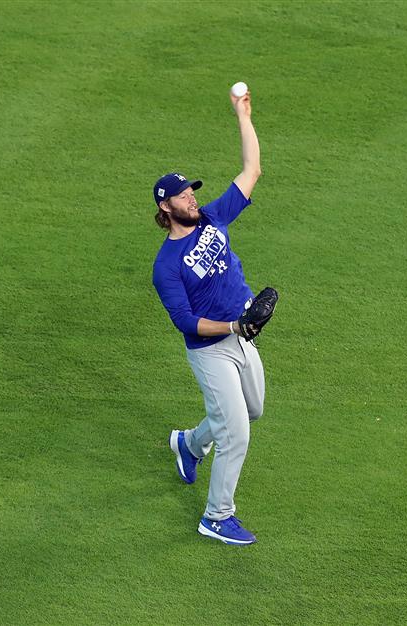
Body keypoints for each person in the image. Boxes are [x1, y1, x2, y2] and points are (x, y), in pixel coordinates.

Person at [151, 87, 264, 546]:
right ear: (165, 208)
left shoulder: (214, 218)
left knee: (251, 411)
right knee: (236, 433)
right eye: (183, 196)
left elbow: (252, 170)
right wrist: (235, 326)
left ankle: (190, 444)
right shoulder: (166, 266)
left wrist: (242, 116)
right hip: (211, 351)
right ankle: (216, 517)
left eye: (192, 192)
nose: (192, 199)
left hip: (243, 338)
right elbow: (186, 323)